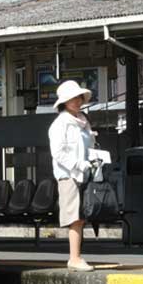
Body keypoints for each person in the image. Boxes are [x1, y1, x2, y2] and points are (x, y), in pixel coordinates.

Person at [48, 80, 95, 272]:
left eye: (78, 97)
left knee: (81, 216)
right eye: (72, 98)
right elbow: (58, 152)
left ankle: (76, 256)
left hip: (85, 173)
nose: (77, 101)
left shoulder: (83, 121)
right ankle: (74, 258)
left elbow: (89, 146)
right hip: (69, 174)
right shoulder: (60, 124)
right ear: (64, 102)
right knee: (75, 217)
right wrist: (77, 164)